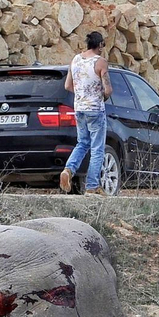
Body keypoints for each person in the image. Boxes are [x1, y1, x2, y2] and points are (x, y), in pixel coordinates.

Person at [61, 31, 112, 194]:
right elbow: (108, 89)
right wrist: (101, 96)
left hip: (79, 108)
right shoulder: (100, 62)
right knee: (97, 148)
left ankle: (68, 169)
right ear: (100, 45)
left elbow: (68, 86)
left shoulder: (75, 60)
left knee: (82, 143)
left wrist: (82, 93)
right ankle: (92, 186)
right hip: (95, 109)